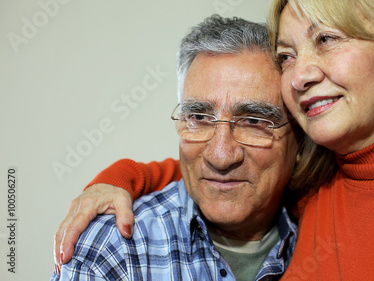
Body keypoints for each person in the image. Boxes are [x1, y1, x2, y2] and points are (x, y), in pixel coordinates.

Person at [55, 0, 374, 280]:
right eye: (288, 56)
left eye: (327, 39)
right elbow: (217, 168)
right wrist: (121, 178)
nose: (302, 74)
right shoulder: (316, 182)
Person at [50, 15, 300, 281]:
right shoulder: (112, 251)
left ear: (301, 137)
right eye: (199, 118)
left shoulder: (327, 224)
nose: (221, 156)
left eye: (253, 121)